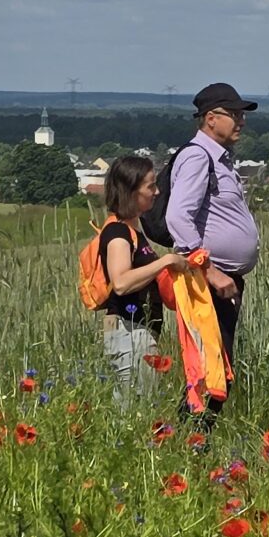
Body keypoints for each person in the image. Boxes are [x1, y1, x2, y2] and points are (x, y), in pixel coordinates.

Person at [161, 82, 261, 424]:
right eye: (233, 114)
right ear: (210, 118)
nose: (241, 121)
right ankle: (189, 442)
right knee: (211, 371)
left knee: (218, 367)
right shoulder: (197, 156)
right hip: (208, 282)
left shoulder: (219, 158)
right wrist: (211, 270)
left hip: (221, 280)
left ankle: (191, 441)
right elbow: (177, 216)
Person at [93, 153, 178, 402]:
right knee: (134, 408)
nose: (157, 192)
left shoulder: (132, 231)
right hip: (128, 332)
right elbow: (121, 283)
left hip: (137, 331)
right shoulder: (119, 233)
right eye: (150, 185)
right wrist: (165, 261)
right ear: (131, 191)